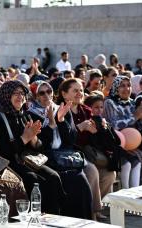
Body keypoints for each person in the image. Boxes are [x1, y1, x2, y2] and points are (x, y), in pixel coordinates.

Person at [0, 80, 65, 215]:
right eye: (15, 93)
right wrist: (24, 138)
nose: (20, 96)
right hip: (8, 163)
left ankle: (53, 218)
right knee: (33, 180)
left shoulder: (24, 115)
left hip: (26, 160)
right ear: (6, 95)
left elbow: (39, 147)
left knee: (54, 177)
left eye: (22, 93)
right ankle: (34, 219)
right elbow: (1, 151)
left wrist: (34, 138)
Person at [28, 81, 92, 219]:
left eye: (49, 92)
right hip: (46, 157)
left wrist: (61, 119)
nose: (46, 96)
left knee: (81, 181)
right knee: (66, 180)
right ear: (35, 96)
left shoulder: (61, 109)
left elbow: (71, 139)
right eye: (42, 93)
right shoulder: (30, 114)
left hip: (64, 156)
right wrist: (51, 124)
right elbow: (40, 145)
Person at [57, 78, 116, 220]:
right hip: (70, 153)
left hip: (89, 152)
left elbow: (97, 138)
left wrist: (100, 129)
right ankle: (92, 213)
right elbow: (62, 139)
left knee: (110, 174)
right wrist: (80, 128)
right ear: (64, 94)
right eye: (75, 90)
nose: (79, 93)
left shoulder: (86, 110)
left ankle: (95, 207)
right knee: (92, 171)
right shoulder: (60, 111)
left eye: (81, 90)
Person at [103, 76, 142, 189]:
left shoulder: (132, 102)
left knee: (137, 162)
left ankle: (134, 196)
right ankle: (124, 196)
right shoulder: (109, 102)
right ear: (116, 87)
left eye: (128, 85)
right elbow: (114, 124)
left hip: (131, 144)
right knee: (127, 165)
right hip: (114, 144)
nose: (127, 88)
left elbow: (136, 127)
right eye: (122, 86)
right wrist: (135, 117)